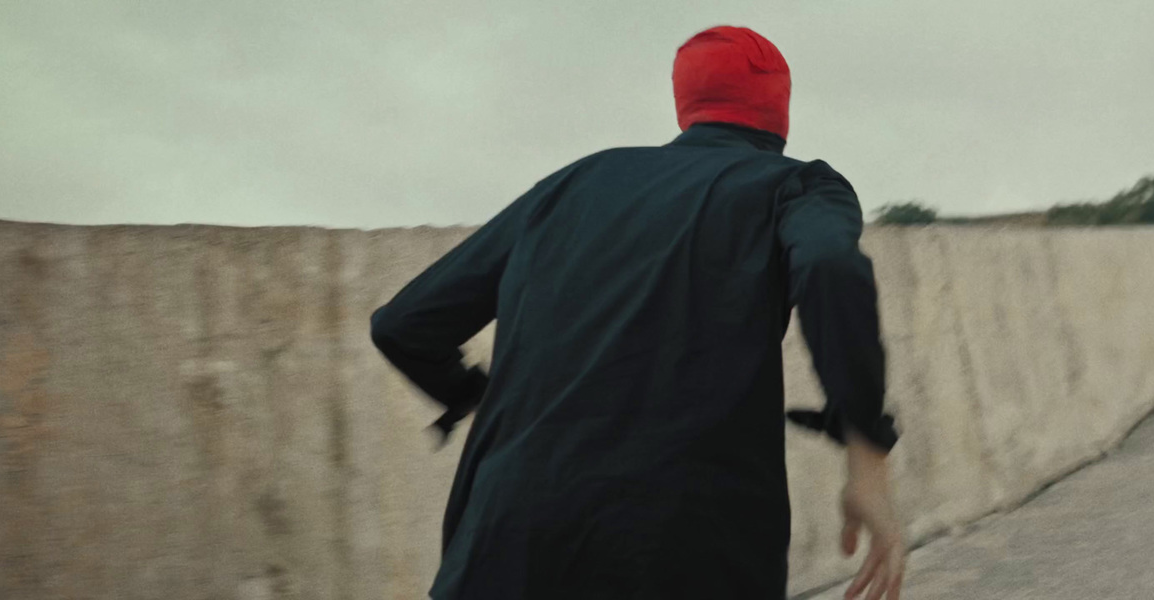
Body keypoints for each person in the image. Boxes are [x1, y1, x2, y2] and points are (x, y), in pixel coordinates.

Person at [370, 25, 904, 600]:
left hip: (504, 542)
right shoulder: (795, 184)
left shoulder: (571, 186)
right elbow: (829, 264)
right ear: (780, 107)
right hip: (686, 548)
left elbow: (405, 325)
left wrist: (474, 393)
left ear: (686, 107)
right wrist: (866, 453)